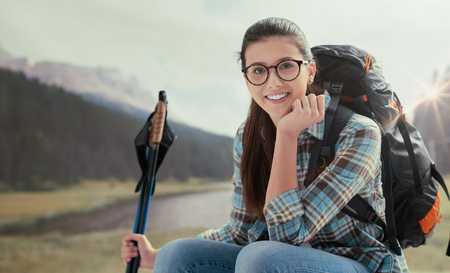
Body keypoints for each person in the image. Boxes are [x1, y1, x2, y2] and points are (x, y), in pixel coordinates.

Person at [121, 17, 409, 272]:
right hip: (276, 261)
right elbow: (241, 230)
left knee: (260, 258)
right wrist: (156, 256)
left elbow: (288, 237)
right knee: (178, 254)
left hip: (361, 264)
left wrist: (286, 136)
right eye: (258, 70)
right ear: (246, 80)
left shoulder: (358, 133)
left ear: (309, 72)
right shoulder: (248, 134)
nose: (272, 82)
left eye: (286, 66)